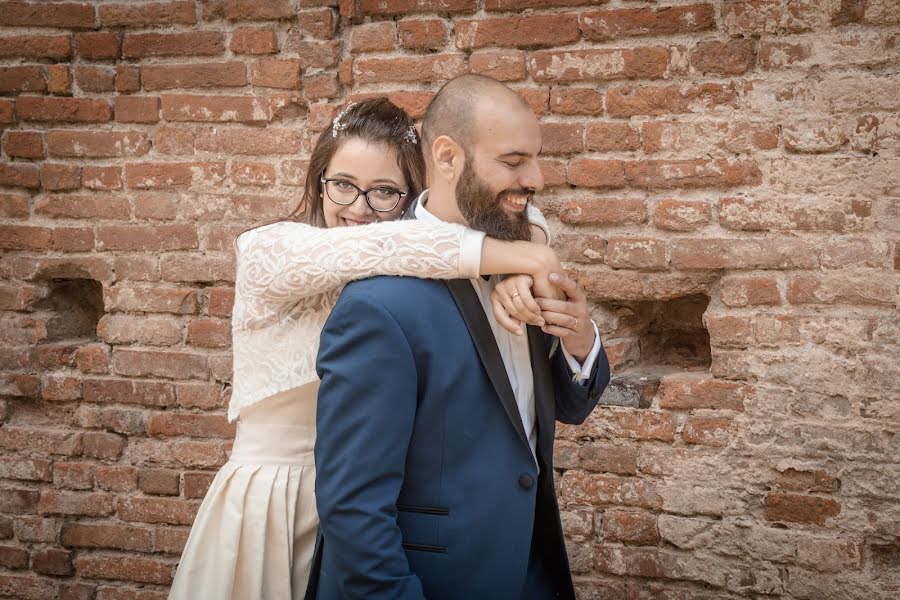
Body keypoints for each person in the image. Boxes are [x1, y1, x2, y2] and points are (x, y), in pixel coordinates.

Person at [168, 98, 563, 600]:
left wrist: (511, 266)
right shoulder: (271, 251)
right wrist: (522, 256)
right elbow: (393, 244)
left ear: (409, 196)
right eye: (343, 185)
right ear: (318, 180)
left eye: (384, 192)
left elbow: (505, 218)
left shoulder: (410, 271)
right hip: (277, 503)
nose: (357, 208)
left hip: (370, 505)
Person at [311, 76, 611, 599]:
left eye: (535, 160)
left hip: (530, 575)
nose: (535, 177)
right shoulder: (377, 306)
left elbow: (562, 409)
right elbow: (354, 509)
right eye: (514, 161)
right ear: (448, 157)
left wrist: (579, 341)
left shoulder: (518, 258)